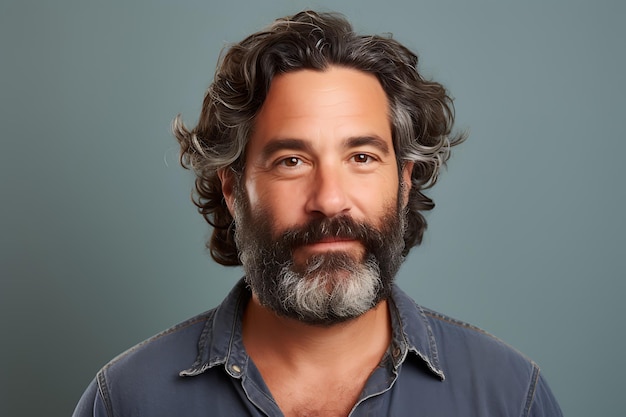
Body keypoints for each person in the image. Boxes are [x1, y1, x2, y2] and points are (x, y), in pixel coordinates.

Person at [73, 10, 562, 417]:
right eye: (292, 161)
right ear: (232, 188)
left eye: (362, 158)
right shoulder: (125, 401)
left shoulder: (511, 398)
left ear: (405, 179)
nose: (330, 199)